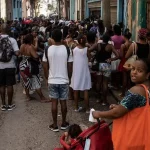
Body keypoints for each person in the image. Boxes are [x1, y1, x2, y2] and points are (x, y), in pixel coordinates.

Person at [92, 58, 150, 149]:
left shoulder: (137, 90)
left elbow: (117, 113)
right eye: (133, 68)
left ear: (147, 75)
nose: (134, 72)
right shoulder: (147, 90)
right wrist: (120, 106)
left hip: (131, 140)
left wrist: (98, 114)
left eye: (139, 71)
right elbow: (135, 106)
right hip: (143, 138)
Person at [43, 29, 71, 132]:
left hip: (52, 80)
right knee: (63, 102)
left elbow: (45, 66)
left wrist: (47, 78)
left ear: (52, 38)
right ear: (62, 37)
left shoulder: (47, 49)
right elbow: (70, 66)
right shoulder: (67, 49)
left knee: (54, 102)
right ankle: (63, 123)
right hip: (64, 80)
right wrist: (69, 78)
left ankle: (55, 125)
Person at [19, 34, 48, 102]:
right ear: (31, 40)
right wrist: (37, 56)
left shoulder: (22, 45)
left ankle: (28, 97)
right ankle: (42, 98)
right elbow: (35, 56)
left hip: (22, 64)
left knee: (26, 82)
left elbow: (20, 54)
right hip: (29, 66)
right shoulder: (30, 47)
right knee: (36, 81)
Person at [0, 24, 19, 111]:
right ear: (8, 30)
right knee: (10, 85)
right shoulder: (12, 40)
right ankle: (10, 104)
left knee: (2, 85)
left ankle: (3, 105)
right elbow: (17, 53)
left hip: (0, 66)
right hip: (10, 65)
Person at [70, 34, 91, 113]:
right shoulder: (86, 49)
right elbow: (90, 57)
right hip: (84, 71)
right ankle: (87, 109)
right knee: (86, 90)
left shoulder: (74, 49)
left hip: (76, 71)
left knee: (76, 90)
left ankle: (76, 107)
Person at [118, 29, 132, 97]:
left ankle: (123, 93)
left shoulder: (123, 45)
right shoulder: (132, 44)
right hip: (131, 62)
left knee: (125, 78)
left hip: (124, 61)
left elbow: (121, 55)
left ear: (124, 37)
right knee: (130, 78)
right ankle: (129, 93)